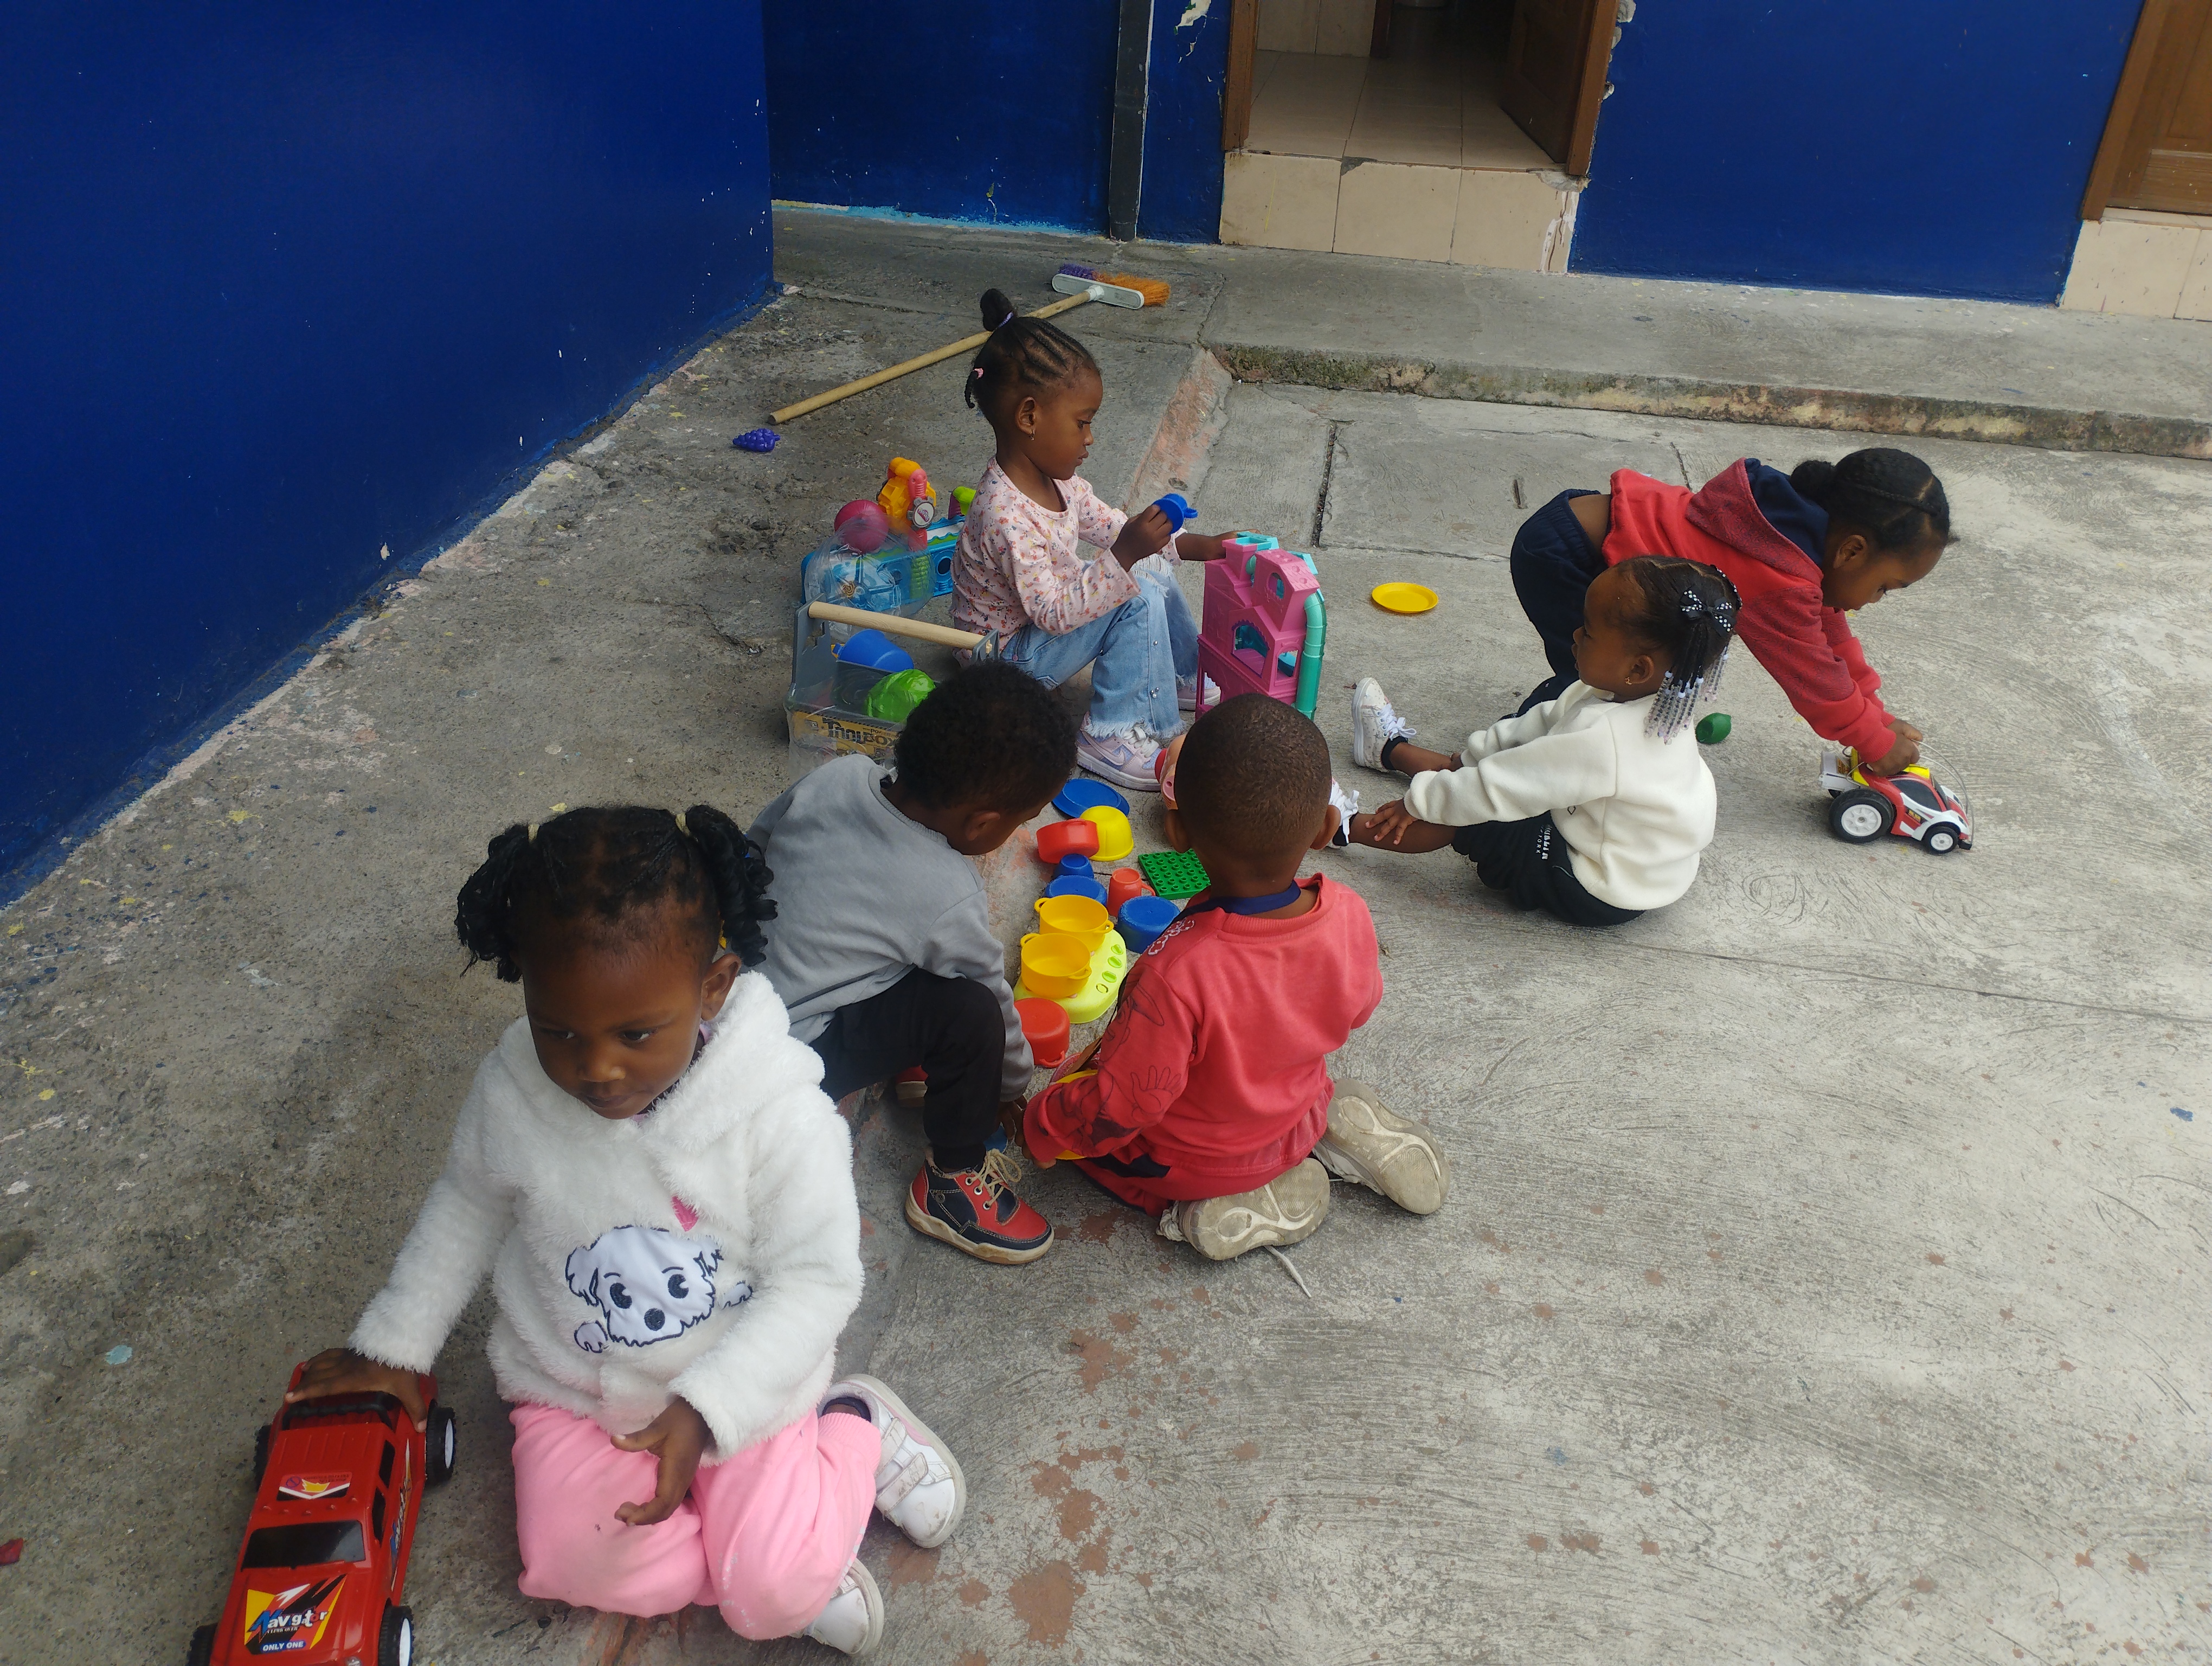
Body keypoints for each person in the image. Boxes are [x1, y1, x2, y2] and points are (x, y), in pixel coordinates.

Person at [284, 806, 962, 1657]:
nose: (596, 1068)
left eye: (636, 1034)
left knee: (771, 1600)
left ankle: (853, 1429)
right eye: (557, 1030)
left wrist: (710, 1412)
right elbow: (467, 1203)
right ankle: (774, 1545)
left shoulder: (780, 1111)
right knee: (588, 1567)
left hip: (745, 1382)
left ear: (714, 987)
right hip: (575, 1391)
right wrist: (394, 1348)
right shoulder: (514, 1088)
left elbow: (818, 1281)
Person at [1023, 695, 1448, 1260]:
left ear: (1177, 833)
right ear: (1325, 829)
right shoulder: (1347, 912)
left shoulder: (1177, 973)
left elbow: (1123, 1107)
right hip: (1296, 1112)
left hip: (1201, 1163)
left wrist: (1042, 1125)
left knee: (1096, 1148)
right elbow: (1359, 1007)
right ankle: (1325, 1127)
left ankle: (1210, 1204)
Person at [748, 664, 1076, 1266]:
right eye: (1020, 822)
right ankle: (954, 1181)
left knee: (910, 955)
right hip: (794, 1067)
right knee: (969, 1010)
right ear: (983, 822)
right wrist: (1008, 1085)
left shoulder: (839, 776)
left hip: (739, 1007)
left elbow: (755, 847)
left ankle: (918, 1068)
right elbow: (992, 1002)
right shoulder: (945, 891)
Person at [1508, 447, 1951, 777]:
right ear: (1852, 551)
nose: (1873, 601)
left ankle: (1554, 749)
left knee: (1633, 681)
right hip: (1570, 560)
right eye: (1883, 588)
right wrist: (1874, 742)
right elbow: (1817, 682)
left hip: (1582, 530)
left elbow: (1832, 643)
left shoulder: (1793, 534)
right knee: (1604, 681)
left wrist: (1880, 718)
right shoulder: (1782, 579)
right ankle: (1520, 757)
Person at [1348, 556, 1737, 928]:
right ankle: (1388, 750)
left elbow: (1498, 789)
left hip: (1601, 885)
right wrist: (1470, 760)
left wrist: (1417, 803)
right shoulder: (1648, 696)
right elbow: (1540, 722)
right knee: (1505, 746)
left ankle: (1340, 826)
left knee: (1474, 814)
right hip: (1628, 849)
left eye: (1589, 631)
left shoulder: (1605, 741)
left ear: (1637, 668)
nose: (1576, 635)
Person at [951, 287, 1231, 792]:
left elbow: (1114, 528)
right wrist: (1124, 556)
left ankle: (1179, 675)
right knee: (1135, 597)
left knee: (1147, 571)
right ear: (1029, 418)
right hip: (1003, 660)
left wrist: (1196, 546)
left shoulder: (1058, 481)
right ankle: (1112, 733)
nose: (1090, 438)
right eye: (1082, 424)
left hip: (1035, 630)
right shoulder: (1004, 514)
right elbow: (1053, 614)